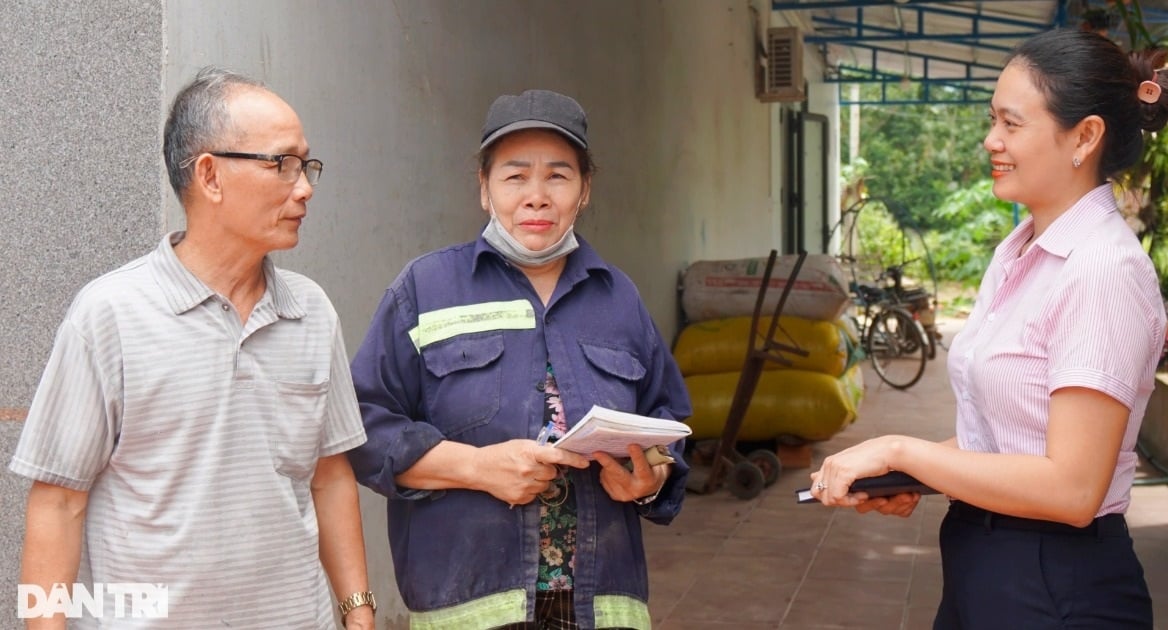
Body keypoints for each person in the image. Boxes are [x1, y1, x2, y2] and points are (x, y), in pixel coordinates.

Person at [808, 29, 1168, 629]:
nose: (991, 140)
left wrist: (899, 446)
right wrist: (912, 471)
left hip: (1055, 582)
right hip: (985, 561)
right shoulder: (1020, 252)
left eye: (1012, 124)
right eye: (994, 121)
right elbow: (1012, 438)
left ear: (1085, 137)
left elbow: (1071, 488)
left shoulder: (1102, 271)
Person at [10, 67, 376, 629]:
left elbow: (329, 476)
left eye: (306, 166)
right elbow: (59, 503)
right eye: (282, 164)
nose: (303, 187)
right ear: (209, 175)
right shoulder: (109, 315)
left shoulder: (312, 311)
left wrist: (358, 611)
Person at [349, 89, 691, 630]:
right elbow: (363, 428)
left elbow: (668, 425)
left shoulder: (618, 299)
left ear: (584, 190)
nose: (537, 197)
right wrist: (477, 468)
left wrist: (651, 478)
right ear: (484, 189)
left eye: (558, 176)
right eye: (514, 176)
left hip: (601, 608)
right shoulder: (426, 289)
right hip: (469, 605)